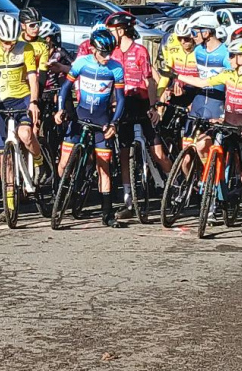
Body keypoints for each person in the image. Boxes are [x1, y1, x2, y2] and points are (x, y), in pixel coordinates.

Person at [176, 39, 242, 234]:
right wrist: (177, 75)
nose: (229, 59)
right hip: (226, 126)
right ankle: (210, 189)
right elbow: (202, 82)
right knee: (207, 149)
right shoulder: (228, 75)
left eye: (232, 56)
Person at [0, 14, 48, 203]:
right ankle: (9, 203)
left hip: (22, 99)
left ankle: (39, 161)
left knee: (25, 134)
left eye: (13, 41)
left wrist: (34, 102)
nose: (9, 46)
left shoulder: (26, 47)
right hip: (1, 101)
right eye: (6, 42)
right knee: (3, 157)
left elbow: (32, 77)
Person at [55, 28, 125, 227]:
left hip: (102, 121)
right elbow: (65, 88)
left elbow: (121, 100)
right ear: (93, 49)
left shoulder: (116, 68)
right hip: (80, 116)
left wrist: (114, 123)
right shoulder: (81, 63)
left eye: (110, 52)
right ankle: (61, 195)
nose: (107, 57)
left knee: (103, 168)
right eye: (103, 53)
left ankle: (107, 214)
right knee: (64, 162)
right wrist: (60, 110)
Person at [105, 11, 169, 221]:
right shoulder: (112, 53)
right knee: (124, 153)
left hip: (141, 103)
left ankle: (174, 185)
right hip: (122, 105)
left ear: (121, 30)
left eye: (111, 30)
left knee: (157, 152)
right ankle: (128, 201)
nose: (109, 34)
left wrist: (153, 106)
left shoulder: (140, 51)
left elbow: (149, 80)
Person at [156, 18, 198, 108]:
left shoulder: (200, 53)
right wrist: (158, 95)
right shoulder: (174, 50)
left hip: (195, 93)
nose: (182, 42)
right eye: (179, 38)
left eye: (186, 38)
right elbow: (166, 75)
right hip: (176, 90)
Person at [18, 7, 50, 91]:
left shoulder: (43, 45)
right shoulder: (15, 40)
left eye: (38, 24)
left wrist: (38, 94)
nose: (36, 28)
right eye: (32, 25)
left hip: (33, 82)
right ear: (23, 25)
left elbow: (43, 73)